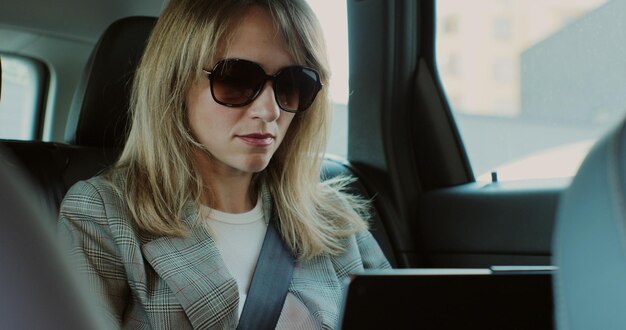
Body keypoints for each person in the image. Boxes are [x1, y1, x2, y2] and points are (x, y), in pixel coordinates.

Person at [58, 0, 391, 328]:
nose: (270, 110)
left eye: (293, 84)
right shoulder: (102, 214)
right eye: (236, 79)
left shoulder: (335, 222)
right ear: (175, 82)